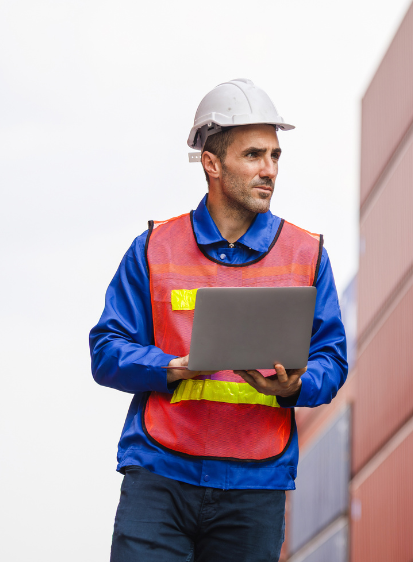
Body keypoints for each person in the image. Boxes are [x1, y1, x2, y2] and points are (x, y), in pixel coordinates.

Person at [89, 78, 348, 562]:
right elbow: (106, 350)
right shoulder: (153, 249)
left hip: (256, 483)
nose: (269, 170)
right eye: (253, 155)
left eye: (275, 156)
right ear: (211, 162)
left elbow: (332, 360)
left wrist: (293, 385)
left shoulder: (307, 254)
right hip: (160, 476)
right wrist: (173, 367)